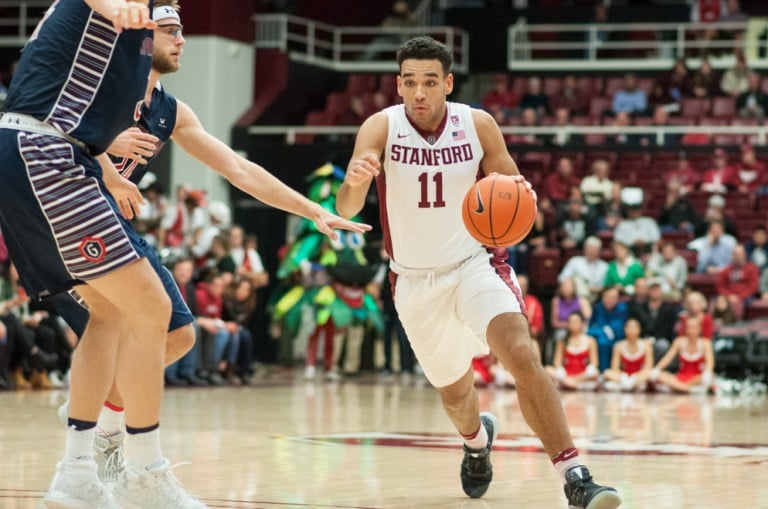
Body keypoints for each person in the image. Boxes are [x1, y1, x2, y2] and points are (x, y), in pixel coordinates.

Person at [48, 0, 370, 498]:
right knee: (116, 325)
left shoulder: (170, 111)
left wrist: (313, 210)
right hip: (68, 213)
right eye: (170, 30)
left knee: (177, 337)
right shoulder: (101, 81)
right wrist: (106, 154)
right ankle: (101, 458)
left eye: (183, 31)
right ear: (141, 37)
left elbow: (240, 171)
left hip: (114, 225)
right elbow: (51, 127)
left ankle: (106, 434)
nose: (182, 41)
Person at [336, 36, 620, 508]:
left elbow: (513, 198)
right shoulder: (380, 127)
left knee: (520, 353)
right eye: (410, 82)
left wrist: (517, 195)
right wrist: (355, 180)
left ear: (447, 83)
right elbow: (347, 208)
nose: (420, 93)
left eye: (430, 82)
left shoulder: (478, 125)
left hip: (475, 263)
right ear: (399, 85)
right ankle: (475, 444)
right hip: (413, 280)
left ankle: (576, 475)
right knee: (456, 393)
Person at [0, 1, 206, 507]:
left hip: (39, 153)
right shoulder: (121, 11)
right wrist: (124, 7)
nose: (176, 30)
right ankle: (144, 474)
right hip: (45, 153)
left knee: (112, 315)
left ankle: (76, 472)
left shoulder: (152, 81)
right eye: (169, 23)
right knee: (153, 311)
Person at [651, 318, 715, 394]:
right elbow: (668, 358)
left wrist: (707, 372)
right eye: (689, 327)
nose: (692, 330)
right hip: (681, 377)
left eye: (694, 327)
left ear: (699, 329)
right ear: (686, 329)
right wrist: (657, 368)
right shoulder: (679, 341)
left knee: (709, 377)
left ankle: (679, 388)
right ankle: (688, 389)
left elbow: (710, 362)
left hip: (697, 378)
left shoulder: (705, 343)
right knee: (660, 376)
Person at [546, 312, 600, 391]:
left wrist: (576, 378)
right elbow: (557, 362)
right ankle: (573, 385)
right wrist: (563, 374)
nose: (573, 324)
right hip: (566, 374)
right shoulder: (562, 341)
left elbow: (594, 363)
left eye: (576, 322)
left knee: (595, 372)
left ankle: (569, 384)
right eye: (571, 322)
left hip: (582, 376)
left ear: (582, 323)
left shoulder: (590, 341)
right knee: (547, 369)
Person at [603, 318, 653, 392]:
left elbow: (648, 367)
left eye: (634, 327)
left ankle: (628, 385)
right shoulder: (618, 346)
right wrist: (624, 377)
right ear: (624, 329)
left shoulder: (646, 345)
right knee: (607, 373)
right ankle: (629, 385)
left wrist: (636, 378)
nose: (631, 330)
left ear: (639, 330)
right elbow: (615, 368)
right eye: (629, 327)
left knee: (651, 373)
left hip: (639, 377)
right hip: (624, 377)